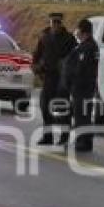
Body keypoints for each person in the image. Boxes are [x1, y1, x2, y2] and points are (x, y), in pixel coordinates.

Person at [32, 12, 77, 144]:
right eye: (53, 22)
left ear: (61, 23)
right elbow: (37, 55)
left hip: (62, 79)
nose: (55, 25)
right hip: (48, 77)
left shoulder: (69, 39)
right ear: (50, 23)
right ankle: (48, 136)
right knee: (45, 107)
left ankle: (64, 137)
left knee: (62, 108)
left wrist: (69, 75)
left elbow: (73, 58)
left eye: (58, 22)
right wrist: (36, 69)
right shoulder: (44, 37)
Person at [63, 20, 100, 152]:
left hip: (82, 86)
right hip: (86, 85)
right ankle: (85, 140)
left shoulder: (87, 47)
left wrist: (72, 79)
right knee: (83, 114)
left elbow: (80, 68)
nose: (76, 32)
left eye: (78, 30)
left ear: (83, 31)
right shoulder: (88, 46)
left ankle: (83, 141)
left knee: (81, 115)